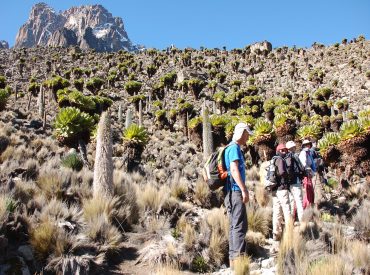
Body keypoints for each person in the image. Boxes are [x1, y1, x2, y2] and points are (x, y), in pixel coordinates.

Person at [224, 122, 253, 268]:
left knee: (234, 225)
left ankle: (233, 260)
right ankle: (239, 260)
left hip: (230, 193)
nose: (248, 137)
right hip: (235, 192)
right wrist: (243, 189)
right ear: (242, 133)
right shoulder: (234, 148)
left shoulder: (230, 148)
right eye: (247, 134)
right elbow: (234, 170)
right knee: (239, 225)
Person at [271, 144, 292, 241]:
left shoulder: (273, 159)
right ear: (278, 151)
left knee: (277, 211)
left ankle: (276, 233)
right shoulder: (280, 159)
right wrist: (288, 176)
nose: (285, 152)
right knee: (287, 210)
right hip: (282, 189)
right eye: (283, 150)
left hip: (275, 190)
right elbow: (282, 172)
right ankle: (289, 232)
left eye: (285, 151)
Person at [286, 141, 304, 222]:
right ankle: (302, 220)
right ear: (293, 147)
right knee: (299, 201)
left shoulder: (285, 156)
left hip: (288, 182)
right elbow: (301, 167)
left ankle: (291, 220)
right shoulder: (295, 155)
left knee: (291, 201)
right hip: (296, 181)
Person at [299, 139, 317, 208]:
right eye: (306, 145)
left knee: (310, 191)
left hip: (309, 174)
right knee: (307, 191)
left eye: (308, 144)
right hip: (306, 175)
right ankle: (307, 206)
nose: (308, 146)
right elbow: (303, 164)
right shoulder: (303, 153)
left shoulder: (308, 153)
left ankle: (310, 205)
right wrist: (307, 171)